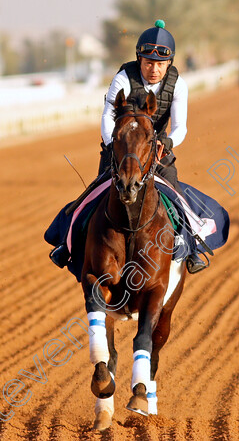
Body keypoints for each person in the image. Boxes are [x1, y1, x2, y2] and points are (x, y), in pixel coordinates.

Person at [49, 19, 208, 274]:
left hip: (156, 151)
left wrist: (165, 143)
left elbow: (181, 127)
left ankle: (191, 246)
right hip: (120, 151)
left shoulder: (179, 85)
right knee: (93, 194)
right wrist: (114, 146)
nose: (154, 69)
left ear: (169, 63)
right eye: (148, 63)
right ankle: (66, 244)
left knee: (176, 196)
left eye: (159, 64)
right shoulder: (123, 77)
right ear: (139, 60)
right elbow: (106, 117)